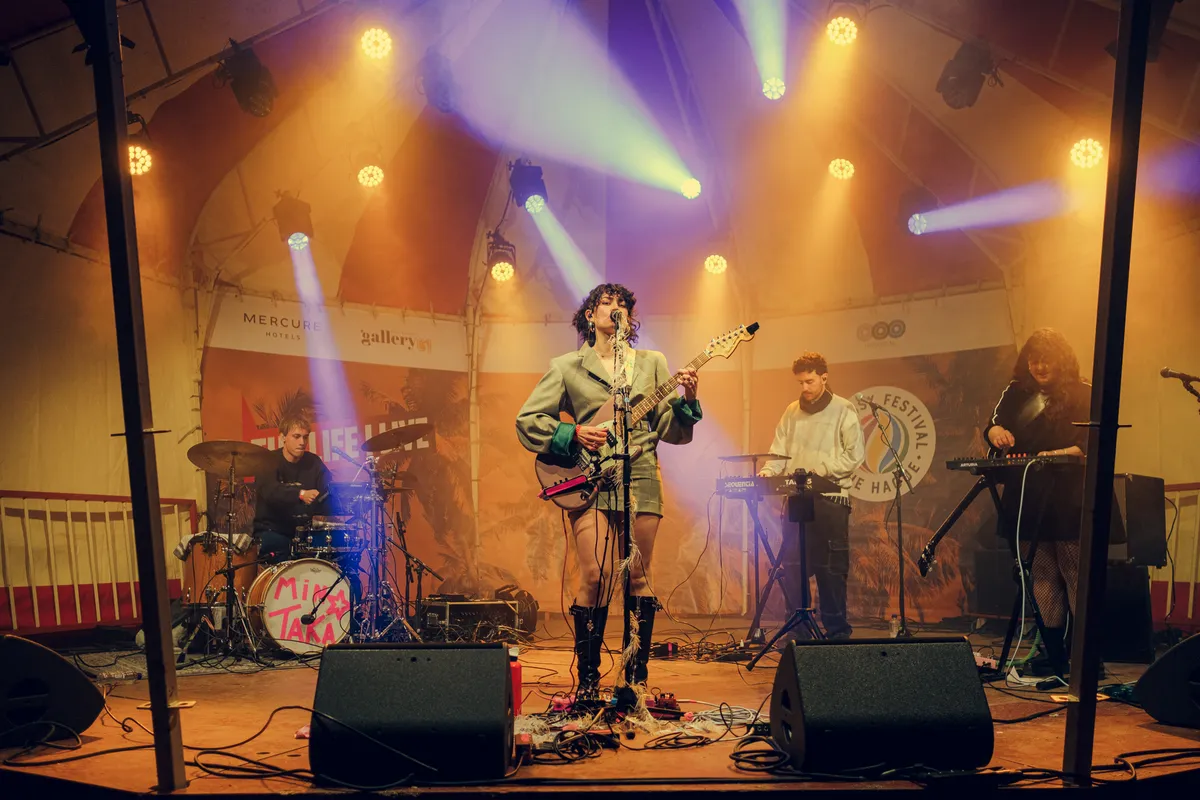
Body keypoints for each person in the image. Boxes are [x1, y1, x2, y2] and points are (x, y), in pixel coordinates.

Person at [516, 284, 701, 699]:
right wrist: (573, 433)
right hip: (592, 478)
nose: (617, 309)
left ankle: (635, 680)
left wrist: (689, 398)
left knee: (638, 574)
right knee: (595, 575)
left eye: (624, 305)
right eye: (607, 303)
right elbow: (528, 420)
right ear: (590, 315)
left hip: (642, 472)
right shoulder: (567, 366)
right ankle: (588, 682)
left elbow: (670, 429)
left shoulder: (652, 363)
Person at [984, 327, 1091, 675]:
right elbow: (993, 424)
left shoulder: (1084, 392)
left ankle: (1086, 654)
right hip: (1027, 492)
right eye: (1033, 360)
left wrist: (1054, 454)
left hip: (1068, 495)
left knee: (1074, 571)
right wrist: (996, 433)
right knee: (1041, 572)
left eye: (1046, 360)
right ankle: (1054, 652)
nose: (1039, 367)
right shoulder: (1016, 392)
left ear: (1062, 361)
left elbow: (1089, 444)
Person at [759, 352, 865, 639]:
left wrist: (820, 471)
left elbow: (855, 455)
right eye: (800, 382)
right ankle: (798, 633)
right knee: (794, 568)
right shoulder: (791, 411)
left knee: (831, 571)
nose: (804, 387)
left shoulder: (843, 409)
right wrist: (769, 471)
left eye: (810, 381)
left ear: (824, 377)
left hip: (831, 500)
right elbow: (779, 450)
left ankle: (837, 634)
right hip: (797, 500)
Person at [253, 415, 334, 564]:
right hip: (273, 531)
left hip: (305, 533)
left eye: (305, 437)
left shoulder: (314, 462)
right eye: (296, 437)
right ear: (282, 437)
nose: (302, 442)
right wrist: (301, 494)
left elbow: (329, 490)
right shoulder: (268, 460)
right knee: (277, 545)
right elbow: (270, 492)